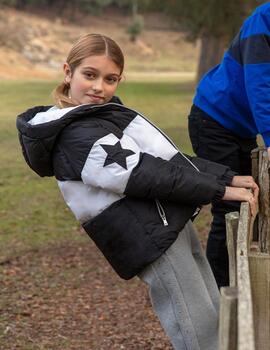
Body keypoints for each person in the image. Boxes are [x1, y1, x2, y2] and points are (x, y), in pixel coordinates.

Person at [17, 33, 258, 350]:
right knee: (197, 328)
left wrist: (226, 176)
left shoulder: (103, 116)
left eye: (110, 78)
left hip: (167, 222)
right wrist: (220, 190)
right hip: (148, 236)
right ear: (67, 72)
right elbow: (144, 174)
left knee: (211, 309)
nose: (99, 87)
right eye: (89, 74)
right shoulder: (74, 134)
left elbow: (168, 161)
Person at [188, 2, 269, 289]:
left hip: (239, 127)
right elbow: (260, 86)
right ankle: (221, 293)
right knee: (230, 208)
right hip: (213, 121)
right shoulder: (264, 20)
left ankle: (243, 280)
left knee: (253, 199)